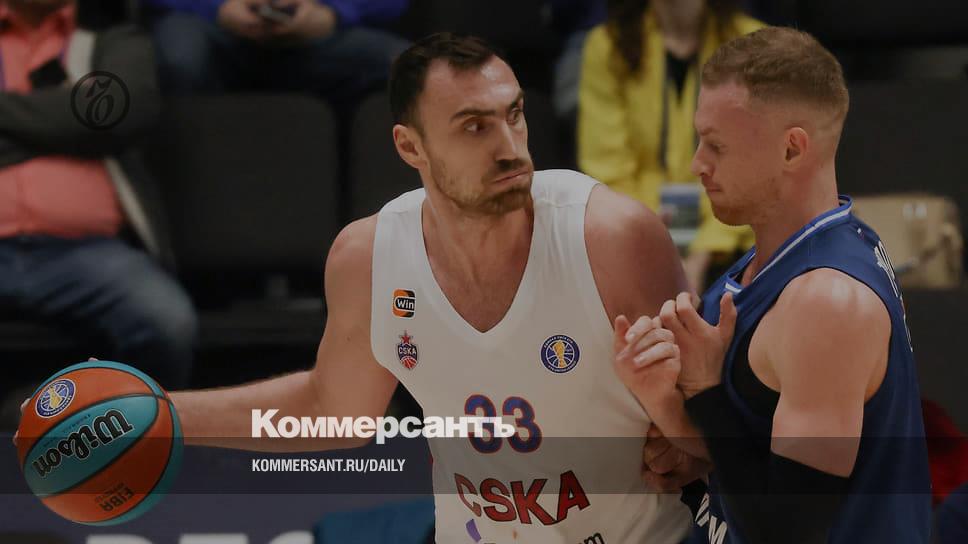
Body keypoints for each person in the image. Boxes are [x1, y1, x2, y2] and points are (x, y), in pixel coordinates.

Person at [82, 33, 702, 542]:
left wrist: (690, 445)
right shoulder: (369, 259)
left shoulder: (612, 237)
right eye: (474, 127)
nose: (511, 148)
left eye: (514, 114)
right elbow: (332, 412)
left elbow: (715, 414)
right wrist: (157, 416)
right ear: (411, 147)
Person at [615, 27, 932, 543]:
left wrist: (704, 392)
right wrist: (680, 431)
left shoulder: (828, 302)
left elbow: (786, 527)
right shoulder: (775, 259)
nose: (697, 164)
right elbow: (755, 446)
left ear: (791, 149)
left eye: (716, 145)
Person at [0, 0, 196, 390]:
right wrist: (72, 124)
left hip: (86, 252)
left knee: (167, 321)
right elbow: (93, 118)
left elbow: (120, 111)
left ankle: (115, 421)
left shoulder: (113, 40)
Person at [578, 0, 763, 292]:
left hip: (733, 232)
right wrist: (653, 235)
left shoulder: (755, 44)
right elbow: (607, 166)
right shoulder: (607, 46)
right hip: (638, 231)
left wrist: (705, 250)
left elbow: (756, 167)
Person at [144, 0, 410, 104]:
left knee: (407, 68)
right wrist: (217, 8)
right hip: (209, 27)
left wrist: (334, 13)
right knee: (180, 57)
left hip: (320, 34)